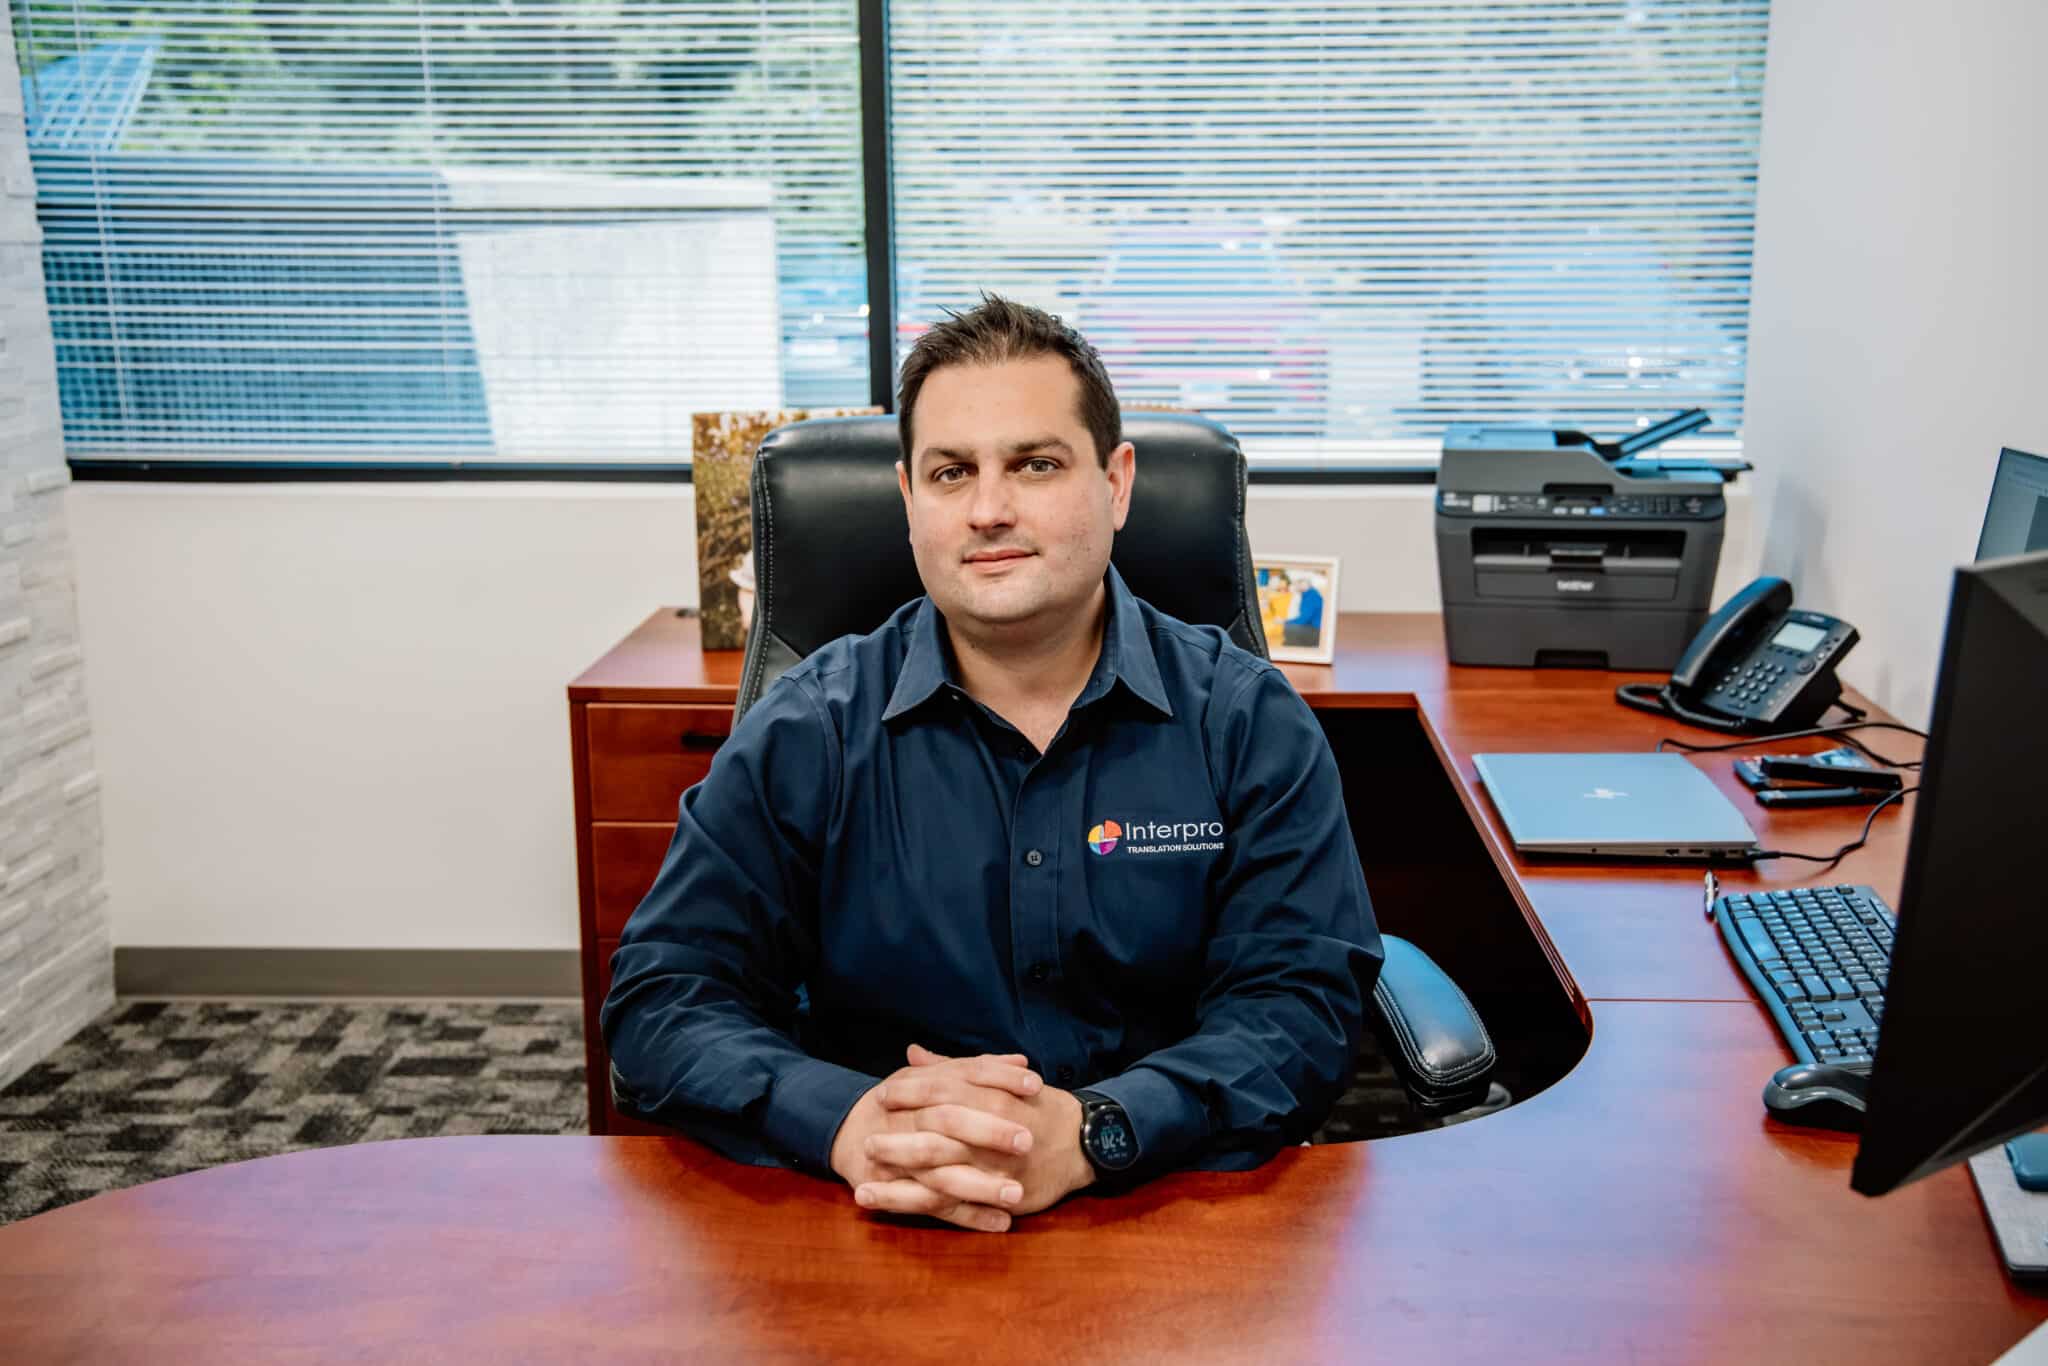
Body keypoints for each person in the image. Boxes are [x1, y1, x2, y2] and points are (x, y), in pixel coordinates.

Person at [602, 294, 1382, 1234]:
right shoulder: (810, 729)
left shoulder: (1248, 723)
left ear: (1117, 483)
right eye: (951, 473)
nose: (988, 510)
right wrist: (848, 1121)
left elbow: (1303, 1007)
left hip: (1168, 1214)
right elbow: (664, 991)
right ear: (909, 502)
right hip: (876, 1215)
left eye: (1036, 465)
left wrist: (1096, 1131)